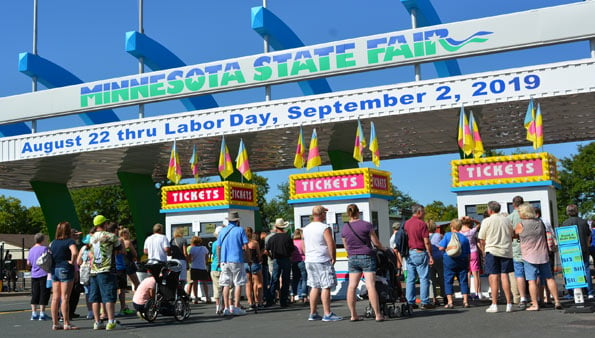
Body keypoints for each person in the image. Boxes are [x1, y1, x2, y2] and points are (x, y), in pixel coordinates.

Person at [341, 203, 385, 322]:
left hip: (352, 258)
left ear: (348, 213)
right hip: (366, 256)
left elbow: (346, 246)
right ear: (358, 212)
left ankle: (353, 315)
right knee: (370, 285)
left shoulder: (345, 228)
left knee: (351, 287)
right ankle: (377, 315)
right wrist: (384, 249)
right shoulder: (366, 225)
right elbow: (375, 242)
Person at [514, 203, 563, 310]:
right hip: (543, 254)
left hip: (529, 256)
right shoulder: (540, 222)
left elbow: (514, 235)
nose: (518, 213)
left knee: (532, 280)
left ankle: (535, 304)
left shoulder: (521, 224)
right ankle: (557, 301)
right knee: (549, 278)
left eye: (519, 211)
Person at [302, 205, 342, 322]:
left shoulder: (307, 228)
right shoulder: (324, 227)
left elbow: (303, 245)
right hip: (322, 259)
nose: (325, 215)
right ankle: (327, 313)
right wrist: (333, 257)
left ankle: (313, 312)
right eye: (324, 213)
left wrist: (307, 255)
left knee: (314, 286)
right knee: (326, 286)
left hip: (310, 259)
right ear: (321, 214)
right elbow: (331, 243)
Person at [478, 201, 514, 313]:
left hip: (492, 250)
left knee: (493, 277)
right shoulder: (507, 220)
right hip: (506, 251)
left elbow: (482, 238)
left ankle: (494, 303)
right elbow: (511, 235)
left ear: (490, 210)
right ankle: (509, 303)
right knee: (505, 276)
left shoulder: (486, 221)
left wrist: (483, 251)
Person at [89, 214, 123, 330]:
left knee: (95, 297)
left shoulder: (92, 237)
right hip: (106, 269)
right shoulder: (111, 236)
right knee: (108, 296)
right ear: (104, 224)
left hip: (94, 269)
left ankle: (97, 322)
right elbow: (120, 249)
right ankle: (111, 321)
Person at [217, 211, 249, 316]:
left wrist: (219, 260)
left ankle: (226, 308)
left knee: (226, 284)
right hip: (236, 259)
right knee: (238, 283)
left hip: (224, 260)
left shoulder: (222, 231)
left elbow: (219, 246)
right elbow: (245, 246)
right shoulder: (240, 230)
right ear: (237, 220)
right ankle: (236, 307)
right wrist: (248, 258)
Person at [403, 204, 434, 310]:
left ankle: (410, 301)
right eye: (423, 212)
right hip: (420, 252)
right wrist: (430, 255)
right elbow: (426, 241)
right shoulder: (422, 224)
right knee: (424, 278)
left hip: (409, 253)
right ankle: (424, 302)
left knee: (410, 279)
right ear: (419, 212)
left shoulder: (406, 223)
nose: (424, 213)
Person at [49, 221, 79, 330]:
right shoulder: (69, 241)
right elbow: (75, 252)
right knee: (65, 297)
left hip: (54, 269)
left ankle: (55, 323)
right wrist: (72, 261)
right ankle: (66, 322)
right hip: (65, 268)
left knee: (55, 298)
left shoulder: (53, 242)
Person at [561, 204, 593, 299]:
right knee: (586, 269)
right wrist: (587, 245)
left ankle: (572, 292)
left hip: (570, 251)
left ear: (568, 212)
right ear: (577, 211)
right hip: (583, 248)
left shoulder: (565, 223)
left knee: (571, 270)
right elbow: (589, 235)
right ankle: (590, 292)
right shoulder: (583, 222)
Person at [439, 219, 471, 309]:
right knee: (463, 280)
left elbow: (441, 248)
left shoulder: (447, 235)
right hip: (462, 260)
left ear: (451, 226)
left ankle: (450, 302)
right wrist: (468, 263)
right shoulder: (464, 238)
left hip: (449, 260)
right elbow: (468, 253)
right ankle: (465, 301)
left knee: (448, 280)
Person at [265, 218, 295, 308]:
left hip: (276, 260)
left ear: (276, 227)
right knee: (285, 280)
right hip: (286, 259)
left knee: (274, 279)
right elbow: (292, 250)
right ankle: (283, 300)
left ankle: (270, 299)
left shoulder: (272, 238)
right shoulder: (287, 237)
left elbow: (266, 251)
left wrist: (271, 256)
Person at [508, 196, 529, 308]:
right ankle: (537, 296)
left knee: (518, 274)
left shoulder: (510, 217)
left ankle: (519, 297)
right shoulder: (529, 216)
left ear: (513, 204)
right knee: (532, 272)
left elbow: (509, 234)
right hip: (530, 247)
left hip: (516, 247)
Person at [27, 233, 51, 321]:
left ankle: (33, 313)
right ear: (42, 240)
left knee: (35, 293)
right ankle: (42, 313)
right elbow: (48, 259)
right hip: (43, 273)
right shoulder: (44, 248)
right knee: (43, 293)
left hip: (34, 274)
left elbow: (28, 263)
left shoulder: (31, 250)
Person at [460, 216, 483, 300]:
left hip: (464, 253)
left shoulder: (460, 233)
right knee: (476, 274)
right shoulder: (472, 231)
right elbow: (479, 224)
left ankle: (467, 293)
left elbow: (454, 225)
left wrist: (461, 219)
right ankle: (478, 292)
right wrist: (472, 219)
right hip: (473, 252)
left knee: (467, 274)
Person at [244, 227, 263, 310]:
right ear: (252, 233)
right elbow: (258, 254)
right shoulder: (254, 243)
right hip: (254, 263)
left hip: (245, 264)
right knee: (259, 283)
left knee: (248, 284)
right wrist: (260, 259)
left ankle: (250, 302)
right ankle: (259, 301)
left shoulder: (243, 243)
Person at [187, 236, 210, 304]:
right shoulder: (204, 248)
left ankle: (196, 298)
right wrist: (205, 263)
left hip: (194, 267)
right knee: (204, 283)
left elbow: (190, 259)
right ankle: (207, 297)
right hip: (202, 267)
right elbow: (206, 257)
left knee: (195, 283)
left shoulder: (192, 249)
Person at [428, 220, 445, 306]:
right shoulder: (438, 235)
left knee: (432, 279)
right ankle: (444, 295)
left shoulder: (426, 236)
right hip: (439, 257)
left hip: (429, 257)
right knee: (441, 277)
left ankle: (434, 298)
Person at [291, 228, 308, 304]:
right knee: (304, 279)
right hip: (302, 260)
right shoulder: (302, 242)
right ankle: (303, 296)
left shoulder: (292, 242)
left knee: (295, 279)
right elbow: (305, 251)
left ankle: (293, 295)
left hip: (294, 261)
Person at [210, 228, 223, 314]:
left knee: (216, 288)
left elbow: (213, 254)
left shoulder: (214, 244)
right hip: (222, 267)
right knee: (225, 287)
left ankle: (217, 307)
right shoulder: (223, 243)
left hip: (214, 267)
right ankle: (225, 306)